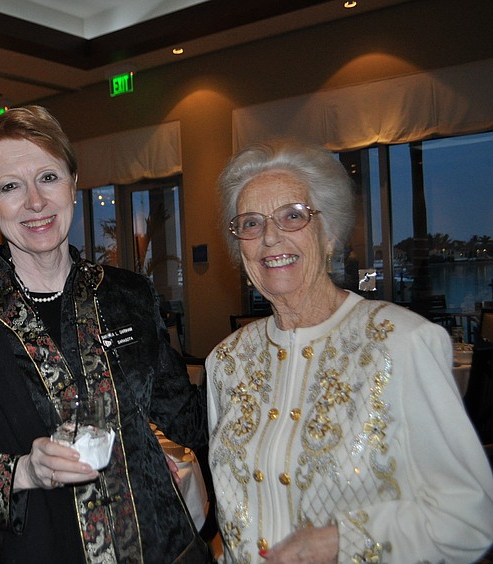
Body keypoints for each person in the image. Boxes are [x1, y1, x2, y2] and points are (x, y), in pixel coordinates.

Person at [0, 105, 208, 563]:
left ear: (73, 183)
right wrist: (25, 471)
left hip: (166, 547)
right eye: (10, 187)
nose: (35, 202)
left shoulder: (127, 294)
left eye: (48, 177)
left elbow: (190, 419)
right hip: (47, 547)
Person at [205, 140, 493, 562]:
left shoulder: (402, 342)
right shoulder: (225, 363)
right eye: (251, 223)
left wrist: (343, 540)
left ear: (330, 233)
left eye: (292, 216)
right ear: (240, 248)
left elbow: (472, 516)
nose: (270, 236)